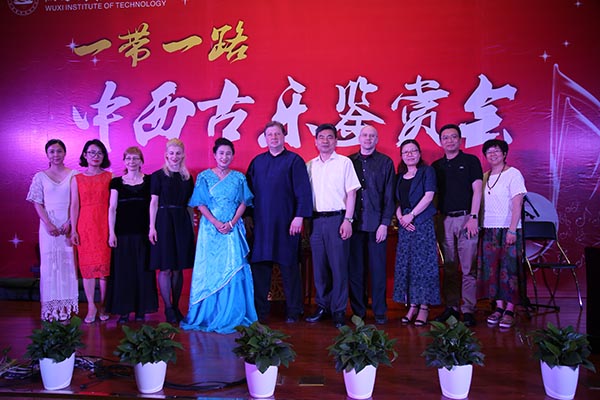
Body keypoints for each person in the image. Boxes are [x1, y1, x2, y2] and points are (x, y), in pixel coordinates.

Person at [181, 138, 257, 333]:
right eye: (221, 153)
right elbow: (200, 203)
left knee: (233, 268)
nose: (224, 157)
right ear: (215, 155)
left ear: (233, 156)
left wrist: (231, 222)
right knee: (210, 269)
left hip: (232, 228)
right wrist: (215, 222)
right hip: (210, 230)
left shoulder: (239, 177)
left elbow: (244, 202)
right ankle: (208, 314)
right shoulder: (204, 177)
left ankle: (232, 313)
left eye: (228, 153)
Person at [246, 121, 313, 323]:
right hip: (262, 225)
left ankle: (294, 310)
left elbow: (303, 191)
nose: (274, 138)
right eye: (270, 134)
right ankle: (259, 312)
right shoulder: (257, 162)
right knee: (260, 270)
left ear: (284, 136)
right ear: (265, 138)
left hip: (287, 224)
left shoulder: (294, 161)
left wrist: (299, 217)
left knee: (289, 268)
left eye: (277, 134)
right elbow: (248, 193)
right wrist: (248, 216)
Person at [305, 123, 361, 328]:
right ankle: (322, 306)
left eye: (330, 137)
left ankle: (338, 310)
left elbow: (352, 194)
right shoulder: (310, 165)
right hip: (316, 221)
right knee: (319, 268)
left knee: (338, 267)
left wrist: (348, 220)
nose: (325, 141)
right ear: (315, 141)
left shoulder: (344, 163)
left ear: (336, 141)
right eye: (321, 137)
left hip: (338, 220)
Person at [432, 124, 483, 327]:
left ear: (460, 140)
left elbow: (477, 190)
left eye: (453, 137)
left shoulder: (470, 161)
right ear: (440, 142)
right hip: (444, 220)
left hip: (466, 219)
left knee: (468, 267)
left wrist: (474, 217)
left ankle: (468, 309)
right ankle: (451, 307)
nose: (449, 140)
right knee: (450, 267)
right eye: (445, 137)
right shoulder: (436, 166)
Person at [26, 139, 79, 321]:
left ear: (65, 153)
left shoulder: (74, 175)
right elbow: (37, 203)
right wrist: (48, 224)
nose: (56, 155)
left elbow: (77, 203)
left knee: (68, 265)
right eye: (52, 151)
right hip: (48, 227)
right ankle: (51, 310)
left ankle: (65, 309)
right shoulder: (40, 177)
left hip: (68, 226)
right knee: (50, 266)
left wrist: (70, 222)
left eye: (59, 151)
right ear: (47, 154)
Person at [348, 125, 395, 324]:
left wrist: (385, 223)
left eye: (372, 136)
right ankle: (358, 312)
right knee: (355, 271)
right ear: (359, 138)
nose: (368, 139)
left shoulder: (385, 162)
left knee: (378, 270)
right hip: (353, 224)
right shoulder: (349, 162)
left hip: (376, 225)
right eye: (365, 135)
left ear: (377, 139)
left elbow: (390, 196)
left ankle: (380, 311)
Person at [477, 139, 526, 329]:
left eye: (496, 151)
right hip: (488, 229)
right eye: (489, 152)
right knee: (492, 270)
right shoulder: (485, 176)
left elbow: (517, 203)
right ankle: (498, 307)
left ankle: (510, 310)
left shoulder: (514, 174)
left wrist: (512, 229)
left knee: (509, 270)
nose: (493, 154)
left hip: (508, 229)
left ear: (504, 154)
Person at [106, 146, 158, 323]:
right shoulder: (116, 182)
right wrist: (111, 233)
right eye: (128, 158)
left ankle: (141, 310)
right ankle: (124, 311)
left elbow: (153, 205)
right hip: (122, 234)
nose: (132, 162)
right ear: (124, 161)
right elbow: (112, 208)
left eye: (135, 158)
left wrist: (152, 227)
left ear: (141, 161)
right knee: (124, 273)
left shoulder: (150, 181)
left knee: (143, 272)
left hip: (143, 233)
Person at [393, 139, 441, 326]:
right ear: (401, 156)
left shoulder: (427, 171)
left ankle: (424, 307)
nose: (410, 154)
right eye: (406, 152)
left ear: (419, 153)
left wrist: (411, 215)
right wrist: (401, 218)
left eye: (413, 151)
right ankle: (412, 305)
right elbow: (397, 202)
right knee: (408, 265)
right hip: (405, 225)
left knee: (424, 265)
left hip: (422, 223)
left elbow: (429, 196)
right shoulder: (399, 176)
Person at [149, 138, 195, 323]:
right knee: (165, 267)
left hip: (182, 221)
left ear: (183, 155)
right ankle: (168, 308)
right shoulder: (158, 176)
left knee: (178, 268)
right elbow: (153, 202)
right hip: (163, 221)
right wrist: (151, 227)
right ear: (166, 155)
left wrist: (192, 226)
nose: (175, 156)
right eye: (171, 153)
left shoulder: (187, 177)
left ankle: (176, 306)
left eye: (178, 153)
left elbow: (190, 204)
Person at [70, 139, 112, 324]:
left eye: (99, 153)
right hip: (85, 226)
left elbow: (113, 205)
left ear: (104, 156)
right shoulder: (76, 179)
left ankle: (103, 305)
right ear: (85, 155)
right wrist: (73, 229)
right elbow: (74, 205)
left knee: (104, 269)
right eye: (92, 152)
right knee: (87, 269)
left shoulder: (110, 177)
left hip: (104, 225)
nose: (95, 156)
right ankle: (91, 306)